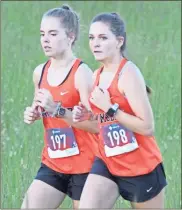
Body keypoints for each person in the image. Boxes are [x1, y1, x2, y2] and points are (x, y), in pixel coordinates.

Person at [72, 12, 167, 209]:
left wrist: (109, 108)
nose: (95, 44)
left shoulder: (128, 74)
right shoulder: (96, 75)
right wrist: (86, 116)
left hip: (141, 167)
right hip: (108, 162)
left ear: (119, 41)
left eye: (103, 38)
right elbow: (102, 124)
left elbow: (147, 127)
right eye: (91, 38)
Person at [22, 4, 98, 209]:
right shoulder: (40, 72)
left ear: (70, 36)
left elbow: (97, 125)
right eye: (42, 34)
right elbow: (39, 107)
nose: (45, 40)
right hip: (53, 163)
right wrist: (33, 114)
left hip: (86, 166)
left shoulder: (82, 73)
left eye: (53, 34)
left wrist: (57, 109)